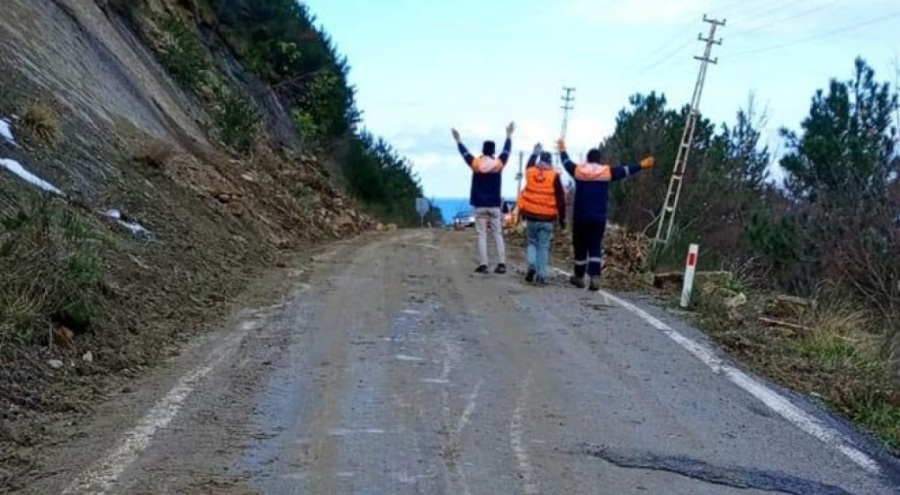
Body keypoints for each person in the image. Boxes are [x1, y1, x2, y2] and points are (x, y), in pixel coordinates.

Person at [557, 138, 655, 291]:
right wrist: (641, 165)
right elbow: (625, 170)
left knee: (580, 246)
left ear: (587, 159)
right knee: (595, 246)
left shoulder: (578, 171)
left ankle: (579, 277)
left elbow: (566, 162)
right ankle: (595, 277)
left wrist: (562, 149)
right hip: (598, 218)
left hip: (581, 217)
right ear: (599, 159)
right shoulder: (606, 172)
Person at [451, 122, 515, 274]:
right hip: (494, 205)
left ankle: (484, 264)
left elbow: (464, 154)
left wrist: (458, 140)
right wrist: (509, 136)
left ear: (482, 150)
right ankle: (501, 263)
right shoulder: (498, 164)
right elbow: (506, 151)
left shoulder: (476, 164)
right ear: (493, 152)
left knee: (481, 235)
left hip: (480, 205)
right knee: (497, 234)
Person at [517, 144, 566, 285]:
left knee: (532, 243)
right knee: (543, 246)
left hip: (531, 216)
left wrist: (534, 154)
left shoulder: (530, 172)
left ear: (539, 160)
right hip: (547, 218)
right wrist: (562, 219)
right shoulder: (554, 176)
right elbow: (561, 199)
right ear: (550, 162)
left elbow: (529, 165)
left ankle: (531, 266)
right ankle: (541, 275)